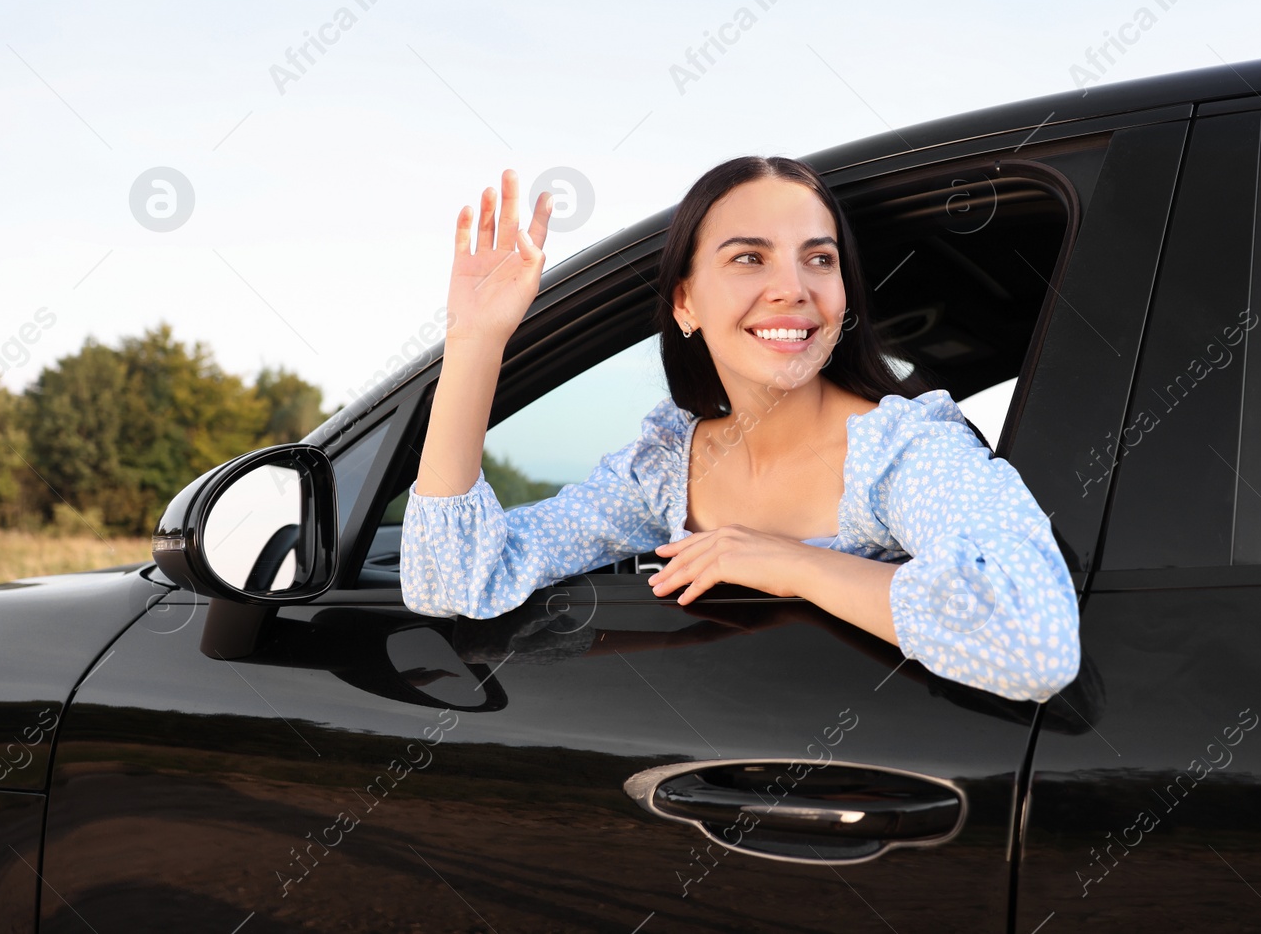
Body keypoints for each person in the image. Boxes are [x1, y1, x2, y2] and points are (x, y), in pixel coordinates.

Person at [399, 156, 1081, 703]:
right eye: (749, 257)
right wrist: (476, 341)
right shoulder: (665, 467)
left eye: (820, 258)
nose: (793, 287)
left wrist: (793, 563)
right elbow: (459, 579)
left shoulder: (904, 451)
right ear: (685, 301)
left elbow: (1031, 641)